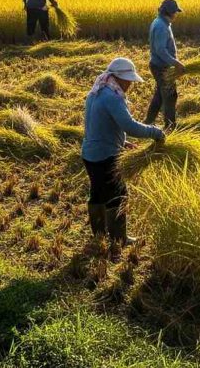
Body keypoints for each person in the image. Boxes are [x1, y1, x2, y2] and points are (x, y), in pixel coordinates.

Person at [80, 57, 165, 253]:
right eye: (128, 80)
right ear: (118, 77)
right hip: (105, 156)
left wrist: (122, 142)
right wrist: (156, 133)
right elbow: (130, 126)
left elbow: (97, 126)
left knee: (98, 193)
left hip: (90, 155)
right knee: (119, 195)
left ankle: (99, 236)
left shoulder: (96, 92)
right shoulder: (112, 97)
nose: (130, 85)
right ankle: (119, 239)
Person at [144, 0, 185, 131]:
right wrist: (176, 63)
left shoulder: (161, 22)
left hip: (160, 65)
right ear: (169, 12)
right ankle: (170, 126)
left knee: (160, 95)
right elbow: (161, 50)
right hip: (161, 67)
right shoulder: (161, 26)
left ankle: (148, 121)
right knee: (170, 95)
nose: (176, 14)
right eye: (175, 12)